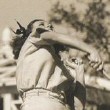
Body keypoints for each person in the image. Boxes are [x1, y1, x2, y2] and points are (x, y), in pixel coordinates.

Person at [11, 19, 103, 110]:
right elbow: (56, 37)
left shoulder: (62, 71)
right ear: (29, 33)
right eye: (41, 24)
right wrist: (92, 50)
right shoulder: (33, 39)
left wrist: (79, 71)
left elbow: (78, 107)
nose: (48, 26)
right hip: (38, 103)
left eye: (51, 25)